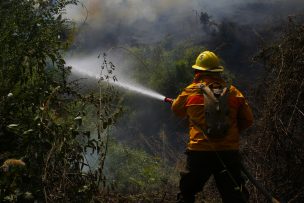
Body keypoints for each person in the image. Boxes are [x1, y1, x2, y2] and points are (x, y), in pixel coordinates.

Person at [171, 51, 254, 203]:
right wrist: (231, 132)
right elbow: (248, 120)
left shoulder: (190, 91)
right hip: (228, 152)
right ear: (217, 72)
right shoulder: (234, 92)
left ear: (198, 72)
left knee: (187, 192)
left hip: (199, 153)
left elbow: (177, 110)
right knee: (235, 195)